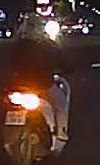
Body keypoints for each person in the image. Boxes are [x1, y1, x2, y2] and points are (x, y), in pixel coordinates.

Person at [8, 15, 73, 151]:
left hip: (18, 86)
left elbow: (10, 64)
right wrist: (69, 69)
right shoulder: (49, 45)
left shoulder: (17, 45)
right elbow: (64, 64)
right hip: (42, 85)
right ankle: (60, 134)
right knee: (60, 104)